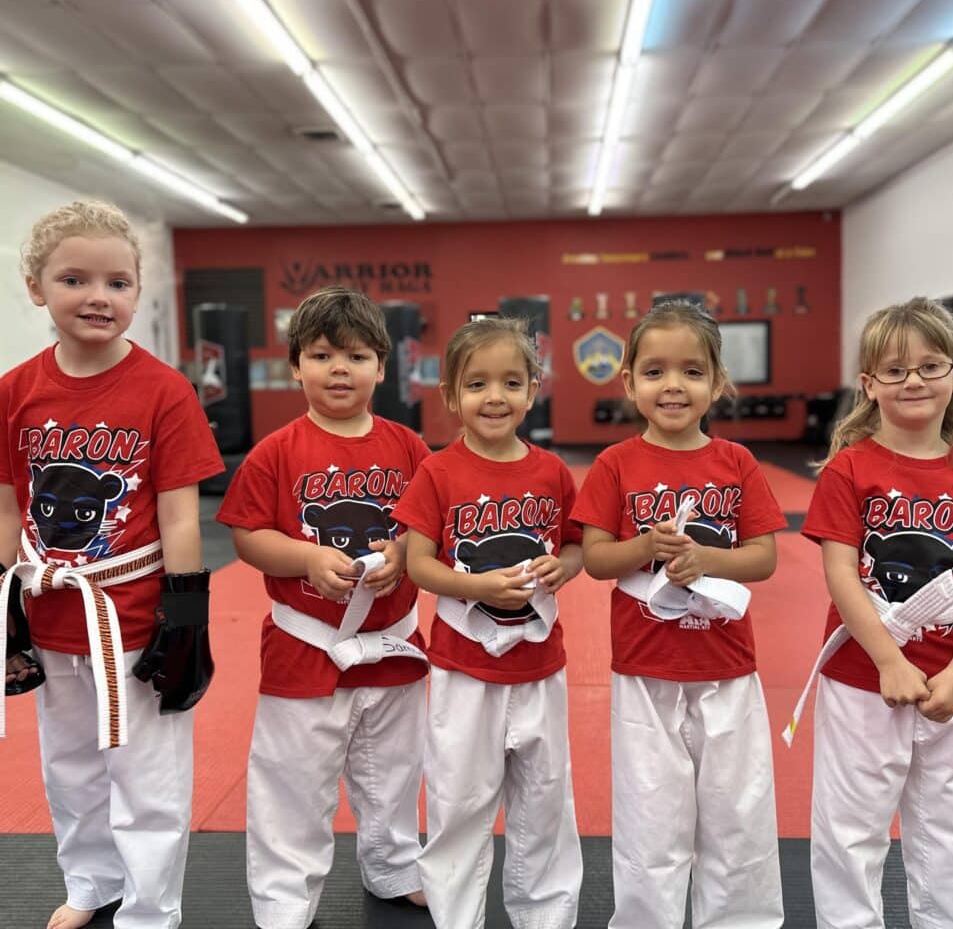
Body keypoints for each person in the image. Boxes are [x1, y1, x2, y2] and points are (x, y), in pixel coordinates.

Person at [0, 200, 223, 929]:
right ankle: (91, 881)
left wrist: (185, 618)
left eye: (118, 283)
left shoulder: (164, 390)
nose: (99, 296)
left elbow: (182, 512)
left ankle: (151, 909)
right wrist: (3, 604)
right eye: (74, 279)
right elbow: (9, 503)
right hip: (53, 608)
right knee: (69, 763)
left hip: (132, 614)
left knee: (146, 772)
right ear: (36, 287)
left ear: (137, 293)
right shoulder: (16, 391)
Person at [798, 296, 953, 929]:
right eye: (894, 371)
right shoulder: (850, 470)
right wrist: (889, 661)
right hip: (865, 681)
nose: (914, 381)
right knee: (851, 830)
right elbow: (841, 572)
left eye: (930, 366)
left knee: (952, 835)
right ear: (868, 386)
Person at [217, 286, 430, 929]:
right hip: (304, 644)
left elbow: (432, 528)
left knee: (394, 769)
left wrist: (402, 550)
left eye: (358, 355)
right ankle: (284, 900)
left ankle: (394, 866)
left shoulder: (410, 448)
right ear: (295, 366)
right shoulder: (276, 452)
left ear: (382, 368)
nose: (340, 369)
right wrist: (307, 559)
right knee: (292, 783)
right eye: (323, 354)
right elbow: (249, 537)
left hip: (392, 643)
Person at [572, 299, 785, 929]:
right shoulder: (615, 464)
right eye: (656, 371)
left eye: (692, 371)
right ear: (629, 382)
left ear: (718, 382)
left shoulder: (737, 463)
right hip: (646, 668)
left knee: (738, 811)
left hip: (728, 666)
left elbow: (766, 558)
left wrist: (707, 559)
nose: (673, 386)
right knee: (650, 812)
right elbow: (596, 559)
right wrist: (646, 548)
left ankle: (741, 919)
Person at [393, 316, 584, 929]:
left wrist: (564, 568)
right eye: (476, 384)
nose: (494, 397)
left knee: (546, 798)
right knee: (458, 800)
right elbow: (419, 565)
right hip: (463, 667)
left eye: (510, 382)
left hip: (539, 663)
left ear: (534, 389)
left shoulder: (552, 472)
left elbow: (578, 546)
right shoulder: (438, 473)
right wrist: (475, 584)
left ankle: (545, 916)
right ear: (450, 396)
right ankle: (457, 917)